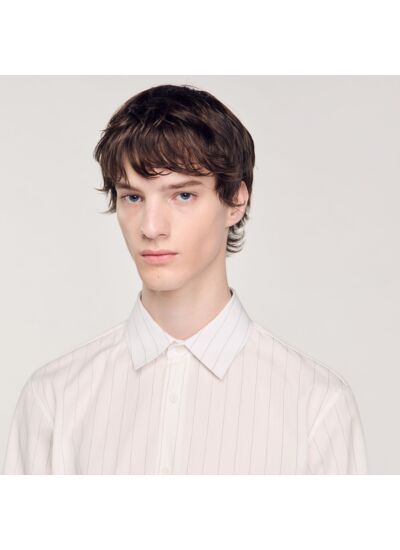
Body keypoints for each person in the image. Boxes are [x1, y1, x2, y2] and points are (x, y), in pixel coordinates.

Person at [2, 83, 368, 474]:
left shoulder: (315, 405)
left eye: (183, 195)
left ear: (236, 200)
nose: (151, 227)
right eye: (133, 197)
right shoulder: (53, 399)